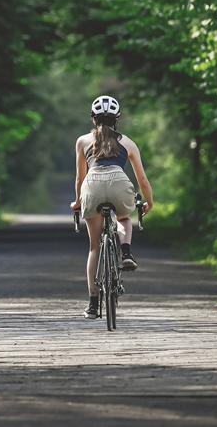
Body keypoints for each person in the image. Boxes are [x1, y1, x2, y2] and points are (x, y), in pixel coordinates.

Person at [70, 95, 154, 320]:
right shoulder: (128, 143)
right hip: (119, 183)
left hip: (92, 185)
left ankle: (93, 304)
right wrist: (150, 201)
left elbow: (79, 179)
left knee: (94, 247)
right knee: (124, 219)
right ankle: (125, 251)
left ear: (93, 119)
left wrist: (77, 202)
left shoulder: (82, 141)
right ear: (116, 120)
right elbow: (142, 180)